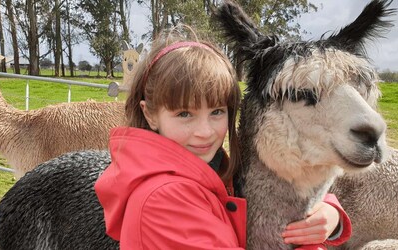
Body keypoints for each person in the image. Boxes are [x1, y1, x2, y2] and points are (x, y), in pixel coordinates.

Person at [94, 27, 351, 249]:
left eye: (217, 111)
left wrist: (329, 214)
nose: (205, 131)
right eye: (184, 114)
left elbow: (266, 201)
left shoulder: (212, 170)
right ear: (149, 115)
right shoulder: (163, 199)